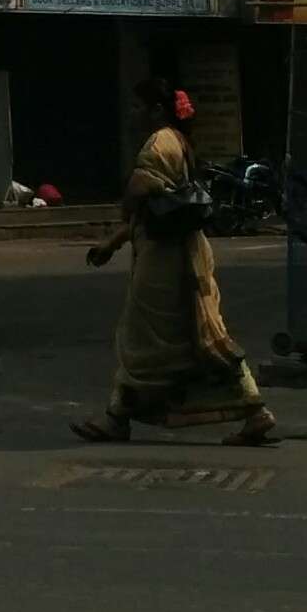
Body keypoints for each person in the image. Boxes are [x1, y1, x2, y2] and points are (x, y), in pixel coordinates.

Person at [74, 80, 276, 446]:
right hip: (182, 257)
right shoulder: (178, 142)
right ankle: (253, 410)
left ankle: (118, 418)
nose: (133, 115)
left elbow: (139, 196)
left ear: (155, 110)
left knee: (143, 342)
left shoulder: (159, 142)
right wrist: (114, 242)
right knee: (203, 336)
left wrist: (115, 232)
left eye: (138, 108)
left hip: (164, 264)